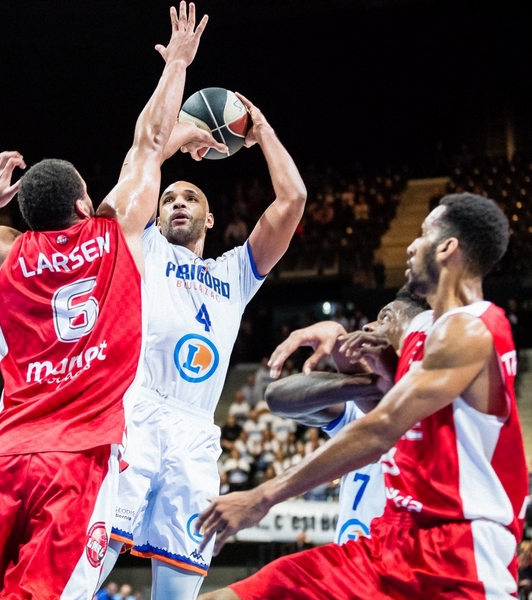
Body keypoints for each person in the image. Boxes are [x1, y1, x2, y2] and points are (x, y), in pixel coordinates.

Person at [0, 5, 212, 598]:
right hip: (79, 462)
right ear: (85, 204)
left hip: (4, 456)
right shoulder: (114, 232)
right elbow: (148, 140)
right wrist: (176, 64)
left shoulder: (2, 248)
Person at [196, 193, 528, 599]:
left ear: (447, 248)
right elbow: (302, 396)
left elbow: (383, 426)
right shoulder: (423, 333)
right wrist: (345, 346)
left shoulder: (472, 328)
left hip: (458, 553)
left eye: (423, 235)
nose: (410, 245)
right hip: (390, 540)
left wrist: (263, 497)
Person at [100, 88, 307, 598]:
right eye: (168, 197)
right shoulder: (143, 245)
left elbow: (293, 201)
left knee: (179, 589)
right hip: (137, 411)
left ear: (210, 218)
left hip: (195, 431)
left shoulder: (235, 272)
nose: (176, 203)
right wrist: (171, 143)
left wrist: (263, 134)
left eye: (190, 197)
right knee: (90, 563)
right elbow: (133, 176)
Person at [263, 289, 429, 546]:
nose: (369, 326)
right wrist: (369, 383)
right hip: (351, 575)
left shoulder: (435, 416)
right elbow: (278, 397)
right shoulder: (358, 414)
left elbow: (394, 411)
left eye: (385, 318)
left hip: (400, 573)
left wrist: (374, 377)